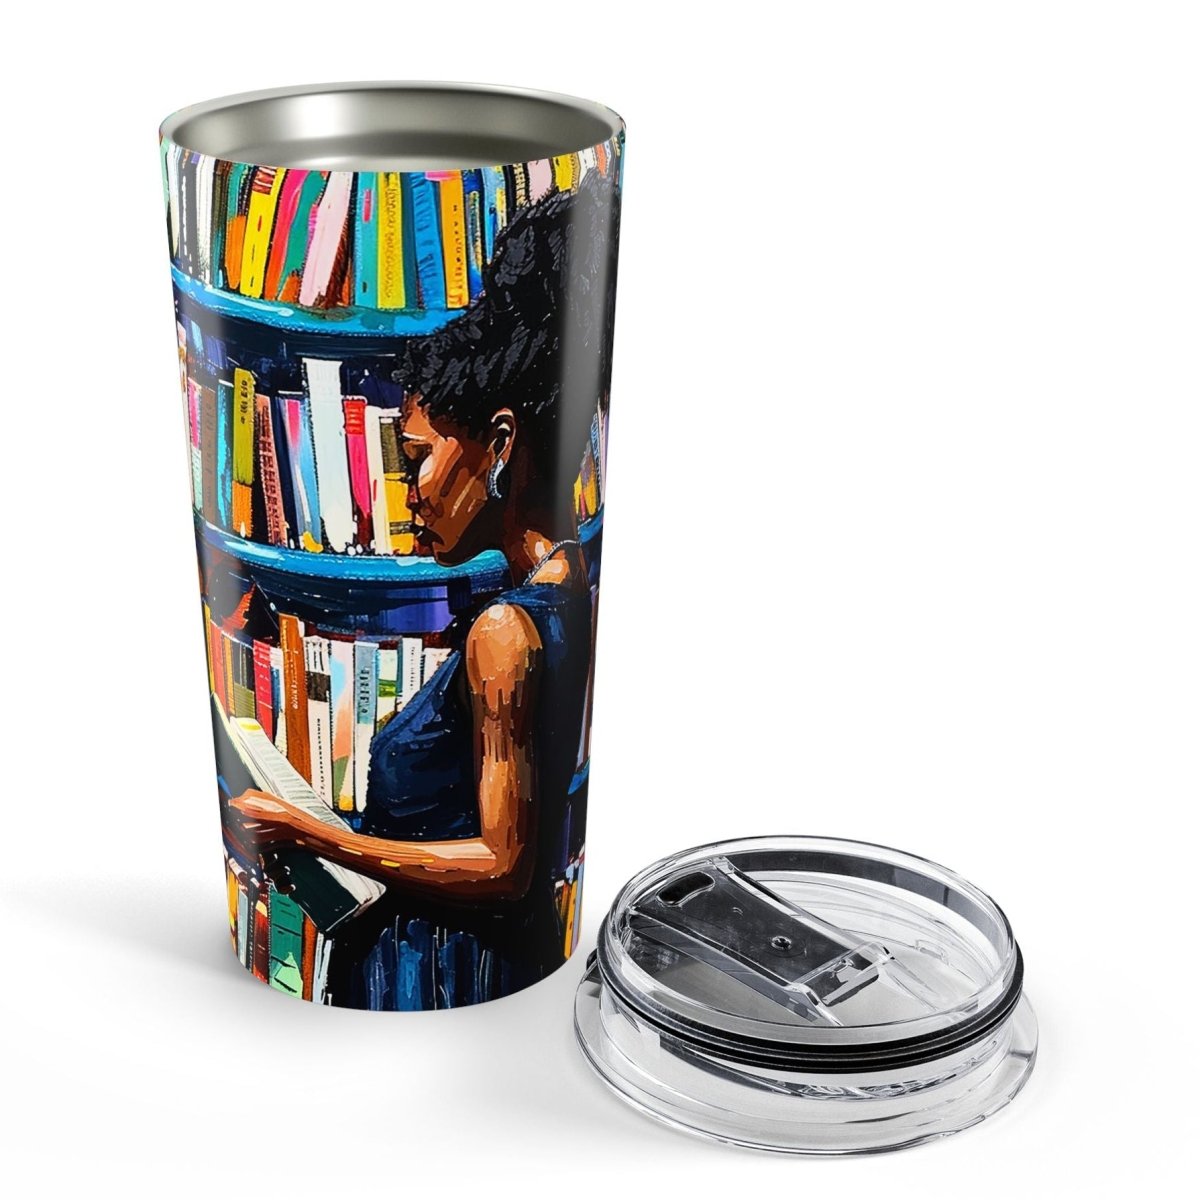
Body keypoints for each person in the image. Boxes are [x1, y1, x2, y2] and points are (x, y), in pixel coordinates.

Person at [224, 170, 620, 1009]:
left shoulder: (504, 634)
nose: (400, 494)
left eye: (414, 460)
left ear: (500, 444)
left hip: (441, 966)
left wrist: (309, 831)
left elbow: (501, 868)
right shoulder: (573, 576)